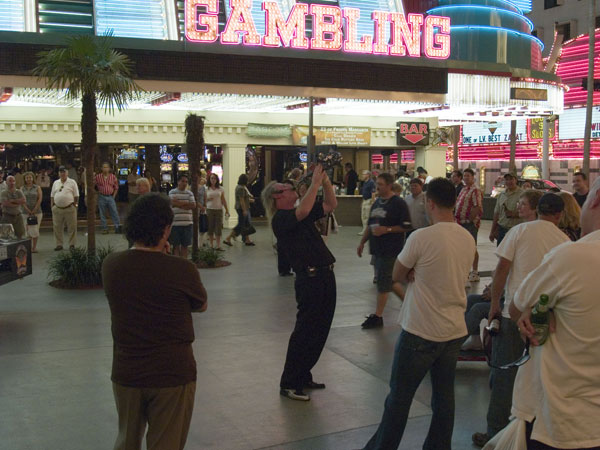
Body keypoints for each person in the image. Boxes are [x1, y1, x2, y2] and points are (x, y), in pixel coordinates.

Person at [362, 178, 476, 450]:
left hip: (421, 331)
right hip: (453, 331)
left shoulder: (421, 237)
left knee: (399, 399)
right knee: (444, 399)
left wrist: (415, 272)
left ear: (431, 203)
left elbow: (396, 275)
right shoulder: (467, 237)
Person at [102, 193, 207, 450]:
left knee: (126, 439)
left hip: (127, 371)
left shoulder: (111, 265)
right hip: (171, 373)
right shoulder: (182, 270)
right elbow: (201, 305)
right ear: (166, 229)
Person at [507, 176, 600, 450]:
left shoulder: (572, 257)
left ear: (594, 200)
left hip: (568, 424)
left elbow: (516, 306)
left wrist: (537, 312)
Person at [471, 193, 569, 448]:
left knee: (503, 378)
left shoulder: (519, 231)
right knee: (538, 379)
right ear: (560, 214)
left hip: (513, 315)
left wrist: (494, 304)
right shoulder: (564, 241)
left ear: (538, 211)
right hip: (543, 322)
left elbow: (501, 269)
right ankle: (530, 433)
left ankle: (495, 435)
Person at [261, 164, 337, 401]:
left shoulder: (298, 212)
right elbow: (303, 211)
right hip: (310, 279)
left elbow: (330, 205)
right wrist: (314, 183)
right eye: (287, 188)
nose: (293, 188)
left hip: (325, 275)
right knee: (305, 332)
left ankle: (303, 374)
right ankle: (290, 382)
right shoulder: (282, 219)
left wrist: (324, 183)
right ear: (277, 196)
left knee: (320, 330)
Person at [462, 190, 542, 352]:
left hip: (513, 300)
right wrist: (493, 286)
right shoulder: (521, 230)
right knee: (471, 300)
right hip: (506, 292)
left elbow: (505, 268)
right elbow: (504, 269)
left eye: (523, 204)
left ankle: (451, 343)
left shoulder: (522, 232)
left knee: (477, 308)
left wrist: (496, 294)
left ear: (534, 209)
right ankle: (475, 339)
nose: (518, 206)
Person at [357, 173, 412, 329]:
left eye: (380, 184)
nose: (377, 187)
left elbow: (406, 226)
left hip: (391, 249)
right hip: (377, 249)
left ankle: (378, 315)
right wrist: (362, 242)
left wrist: (387, 229)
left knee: (383, 282)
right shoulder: (377, 203)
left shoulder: (398, 204)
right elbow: (370, 225)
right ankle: (411, 304)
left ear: (389, 185)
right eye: (377, 184)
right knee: (390, 281)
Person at [455, 168, 484, 282]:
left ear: (473, 177)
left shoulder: (475, 190)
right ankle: (464, 271)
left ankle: (475, 272)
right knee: (462, 247)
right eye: (465, 176)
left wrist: (470, 219)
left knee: (472, 247)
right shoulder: (463, 189)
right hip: (460, 223)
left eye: (468, 176)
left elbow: (477, 206)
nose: (466, 178)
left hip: (470, 224)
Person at [50, 166, 79, 251]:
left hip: (70, 207)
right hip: (57, 208)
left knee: (72, 227)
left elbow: (76, 195)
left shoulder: (72, 182)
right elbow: (52, 195)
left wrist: (75, 205)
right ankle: (59, 244)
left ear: (67, 173)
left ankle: (72, 244)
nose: (62, 174)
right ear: (59, 173)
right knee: (57, 227)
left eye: (64, 172)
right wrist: (52, 206)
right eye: (61, 172)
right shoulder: (56, 182)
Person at [490, 173, 523, 246]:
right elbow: (496, 213)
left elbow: (528, 213)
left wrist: (514, 214)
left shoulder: (522, 194)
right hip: (502, 230)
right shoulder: (502, 195)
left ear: (516, 180)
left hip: (516, 230)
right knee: (501, 254)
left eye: (511, 179)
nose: (509, 182)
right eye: (507, 180)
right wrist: (492, 231)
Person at [168, 175, 196, 259]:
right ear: (178, 182)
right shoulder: (172, 192)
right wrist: (185, 204)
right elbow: (172, 204)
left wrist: (178, 203)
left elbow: (193, 205)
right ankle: (177, 264)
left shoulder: (190, 193)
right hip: (175, 223)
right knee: (175, 246)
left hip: (187, 224)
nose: (184, 183)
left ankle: (184, 263)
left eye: (186, 182)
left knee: (185, 246)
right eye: (183, 181)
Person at [224, 174, 255, 247]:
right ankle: (228, 238)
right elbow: (241, 200)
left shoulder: (240, 187)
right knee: (240, 224)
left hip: (242, 208)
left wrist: (249, 200)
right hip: (241, 208)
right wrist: (244, 210)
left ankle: (247, 240)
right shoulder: (241, 188)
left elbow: (243, 198)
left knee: (246, 224)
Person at [94, 162, 122, 235]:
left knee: (114, 212)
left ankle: (117, 227)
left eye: (106, 167)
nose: (105, 169)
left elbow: (116, 187)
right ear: (101, 168)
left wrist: (114, 196)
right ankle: (104, 228)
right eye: (104, 167)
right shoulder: (98, 177)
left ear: (109, 169)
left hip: (110, 196)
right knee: (102, 213)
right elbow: (93, 185)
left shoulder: (113, 177)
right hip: (101, 196)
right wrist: (96, 193)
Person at [205, 173, 229, 250]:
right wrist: (208, 199)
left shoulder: (221, 189)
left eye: (214, 178)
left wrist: (227, 210)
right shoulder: (206, 188)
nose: (213, 180)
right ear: (209, 179)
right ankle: (211, 245)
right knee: (210, 227)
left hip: (218, 209)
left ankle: (218, 245)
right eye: (211, 178)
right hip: (209, 209)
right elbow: (203, 200)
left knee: (218, 228)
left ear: (217, 180)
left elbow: (223, 199)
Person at [20, 172, 43, 252]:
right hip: (25, 212)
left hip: (37, 212)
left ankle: (34, 247)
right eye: (27, 178)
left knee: (35, 229)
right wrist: (27, 210)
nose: (28, 179)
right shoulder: (22, 188)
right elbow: (21, 200)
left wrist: (34, 210)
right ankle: (28, 247)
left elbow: (40, 199)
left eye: (30, 177)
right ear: (25, 179)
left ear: (33, 178)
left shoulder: (37, 187)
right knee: (27, 230)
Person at [359, 170, 376, 235]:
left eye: (364, 174)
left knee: (367, 216)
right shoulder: (365, 182)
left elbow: (373, 193)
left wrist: (372, 202)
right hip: (365, 200)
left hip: (369, 201)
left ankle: (368, 231)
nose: (362, 175)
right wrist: (362, 201)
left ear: (368, 175)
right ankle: (364, 230)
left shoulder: (371, 182)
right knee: (363, 216)